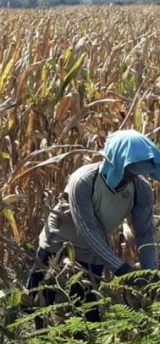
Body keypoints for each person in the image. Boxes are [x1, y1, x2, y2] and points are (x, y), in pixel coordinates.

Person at [27, 129, 160, 326]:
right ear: (115, 162)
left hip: (93, 254)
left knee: (89, 316)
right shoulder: (84, 181)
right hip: (57, 245)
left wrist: (150, 276)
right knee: (38, 306)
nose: (131, 177)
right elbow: (87, 229)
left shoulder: (141, 190)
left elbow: (145, 234)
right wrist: (123, 270)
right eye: (129, 170)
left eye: (138, 172)